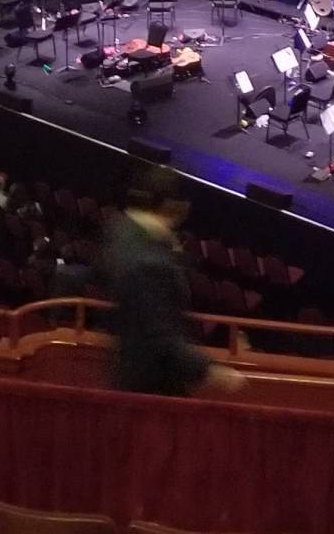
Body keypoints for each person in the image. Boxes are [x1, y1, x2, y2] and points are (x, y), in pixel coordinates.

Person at [97, 166, 240, 397]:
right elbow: (159, 334)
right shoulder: (150, 264)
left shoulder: (122, 228)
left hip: (132, 371)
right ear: (175, 205)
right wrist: (209, 370)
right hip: (151, 383)